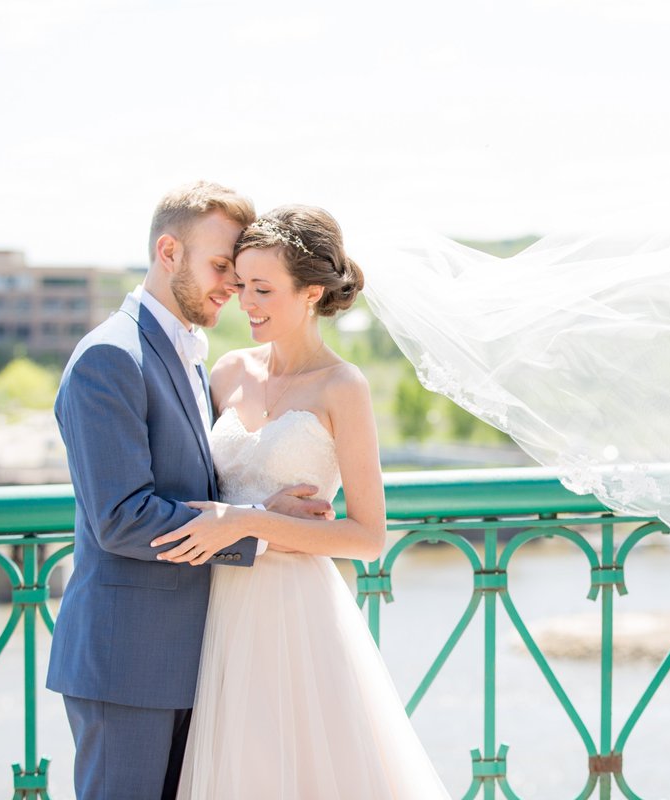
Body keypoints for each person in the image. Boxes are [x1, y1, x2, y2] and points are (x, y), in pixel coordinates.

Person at [149, 205, 450, 799]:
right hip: (216, 611)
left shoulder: (343, 386)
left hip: (297, 615)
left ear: (312, 292)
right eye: (241, 285)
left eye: (263, 289)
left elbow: (368, 537)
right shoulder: (226, 372)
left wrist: (249, 521)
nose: (245, 302)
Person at [48, 182, 333, 800]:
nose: (234, 287)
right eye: (221, 266)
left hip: (197, 659)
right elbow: (122, 518)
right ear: (169, 251)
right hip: (128, 665)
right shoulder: (109, 358)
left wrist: (259, 513)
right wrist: (254, 527)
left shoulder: (191, 356)